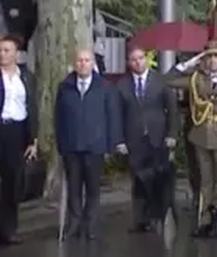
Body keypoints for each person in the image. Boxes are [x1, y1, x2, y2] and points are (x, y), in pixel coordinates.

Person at [165, 40, 217, 237]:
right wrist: (188, 63)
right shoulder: (196, 79)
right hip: (201, 134)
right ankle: (204, 220)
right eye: (208, 56)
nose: (212, 60)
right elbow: (167, 80)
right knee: (204, 180)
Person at [54, 49, 124, 240]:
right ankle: (74, 223)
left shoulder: (105, 86)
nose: (83, 64)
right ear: (74, 63)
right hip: (71, 145)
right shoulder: (65, 87)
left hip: (95, 145)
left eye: (86, 60)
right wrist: (61, 143)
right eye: (79, 60)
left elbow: (112, 117)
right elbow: (58, 118)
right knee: (74, 188)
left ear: (93, 63)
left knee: (93, 189)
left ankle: (91, 225)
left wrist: (111, 144)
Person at [117, 46, 178, 233]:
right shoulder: (122, 85)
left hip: (157, 137)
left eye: (141, 58)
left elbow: (172, 110)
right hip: (134, 139)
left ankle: (156, 216)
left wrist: (172, 134)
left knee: (156, 179)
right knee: (138, 181)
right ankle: (140, 219)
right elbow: (117, 114)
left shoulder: (160, 81)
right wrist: (119, 140)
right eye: (133, 59)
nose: (138, 62)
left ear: (147, 59)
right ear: (129, 62)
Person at [0, 35, 36, 245]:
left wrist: (33, 138)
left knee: (13, 182)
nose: (3, 54)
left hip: (17, 131)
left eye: (6, 50)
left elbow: (31, 107)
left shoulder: (26, 77)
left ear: (16, 53)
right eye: (1, 50)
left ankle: (9, 230)